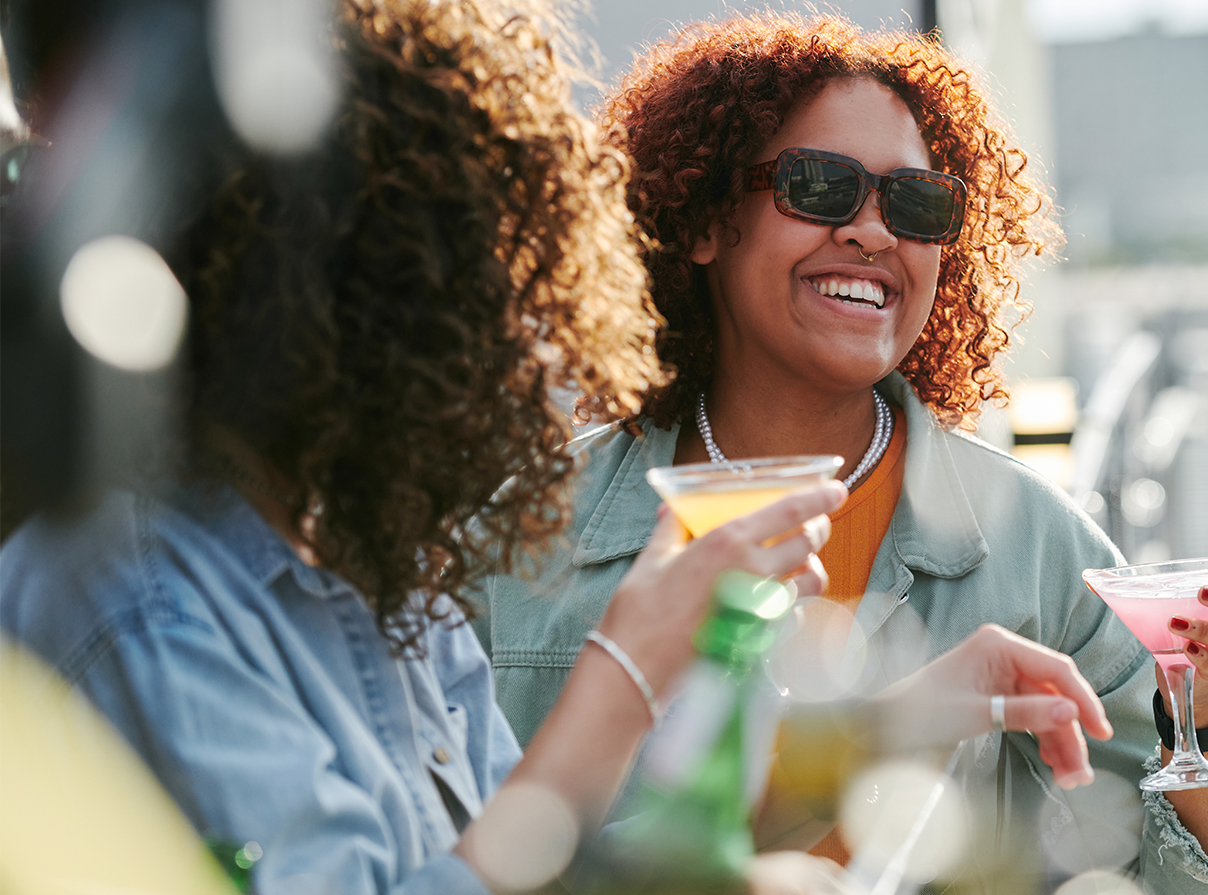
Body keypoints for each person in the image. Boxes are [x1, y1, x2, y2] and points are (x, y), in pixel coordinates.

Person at [0, 2, 1113, 892]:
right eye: (491, 288)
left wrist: (878, 730)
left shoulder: (393, 592)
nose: (532, 345)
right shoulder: (146, 602)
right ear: (348, 298)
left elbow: (529, 862)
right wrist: (628, 669)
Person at [478, 13, 1208, 895]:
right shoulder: (520, 540)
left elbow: (1204, 882)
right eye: (819, 186)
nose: (873, 232)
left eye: (915, 203)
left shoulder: (1039, 549)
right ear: (705, 221)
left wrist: (1202, 708)